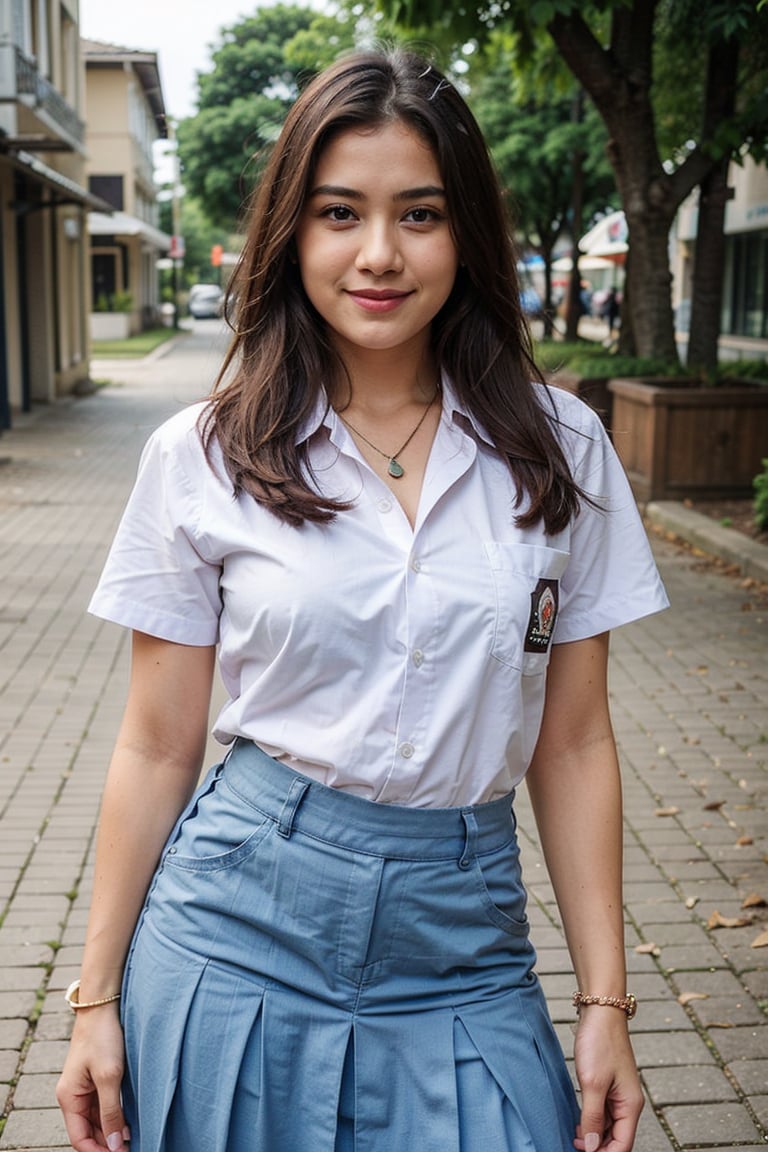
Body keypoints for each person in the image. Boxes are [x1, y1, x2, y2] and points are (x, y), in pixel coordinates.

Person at [56, 48, 668, 1152]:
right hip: (237, 924)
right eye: (340, 212)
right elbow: (155, 745)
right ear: (293, 229)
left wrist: (605, 1005)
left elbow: (573, 744)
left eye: (420, 214)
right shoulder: (203, 455)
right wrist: (94, 1000)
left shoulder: (561, 449)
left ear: (467, 233)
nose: (379, 253)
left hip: (465, 938)